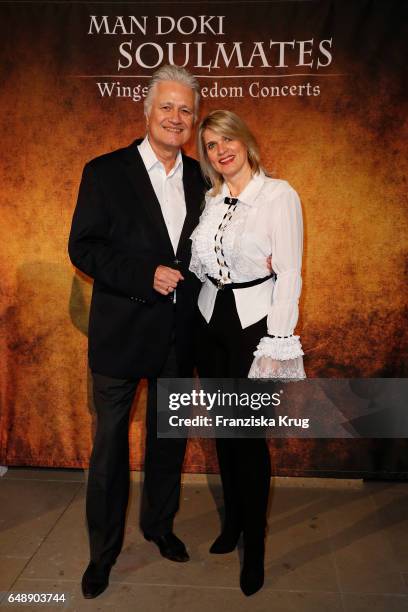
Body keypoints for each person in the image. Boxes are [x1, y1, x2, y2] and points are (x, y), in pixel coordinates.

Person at [68, 65, 206, 599]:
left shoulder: (200, 177)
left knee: (167, 440)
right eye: (166, 107)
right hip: (122, 332)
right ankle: (102, 554)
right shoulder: (104, 172)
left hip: (179, 334)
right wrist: (142, 276)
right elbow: (84, 247)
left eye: (185, 110)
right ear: (146, 112)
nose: (175, 117)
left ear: (193, 122)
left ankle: (159, 526)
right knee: (109, 451)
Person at [190, 110, 305, 596]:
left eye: (226, 139)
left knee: (248, 438)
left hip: (252, 325)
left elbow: (291, 273)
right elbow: (204, 263)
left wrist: (277, 341)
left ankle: (254, 547)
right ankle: (233, 523)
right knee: (223, 432)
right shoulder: (213, 198)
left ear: (245, 140)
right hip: (210, 319)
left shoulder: (278, 195)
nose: (220, 150)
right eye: (211, 145)